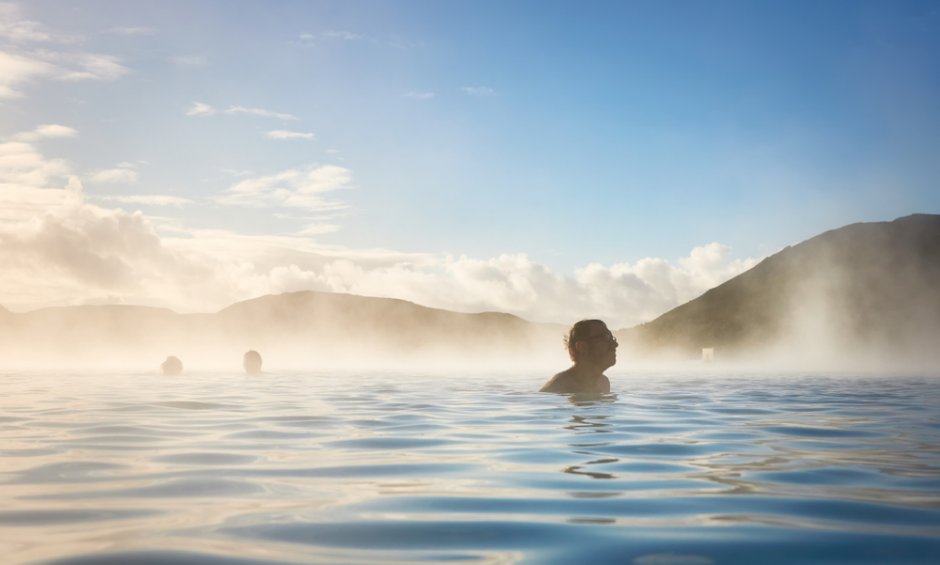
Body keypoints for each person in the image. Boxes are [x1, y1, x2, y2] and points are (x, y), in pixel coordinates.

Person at [540, 319, 617, 393]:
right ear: (582, 347)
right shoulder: (557, 388)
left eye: (612, 339)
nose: (615, 344)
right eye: (606, 338)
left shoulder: (603, 383)